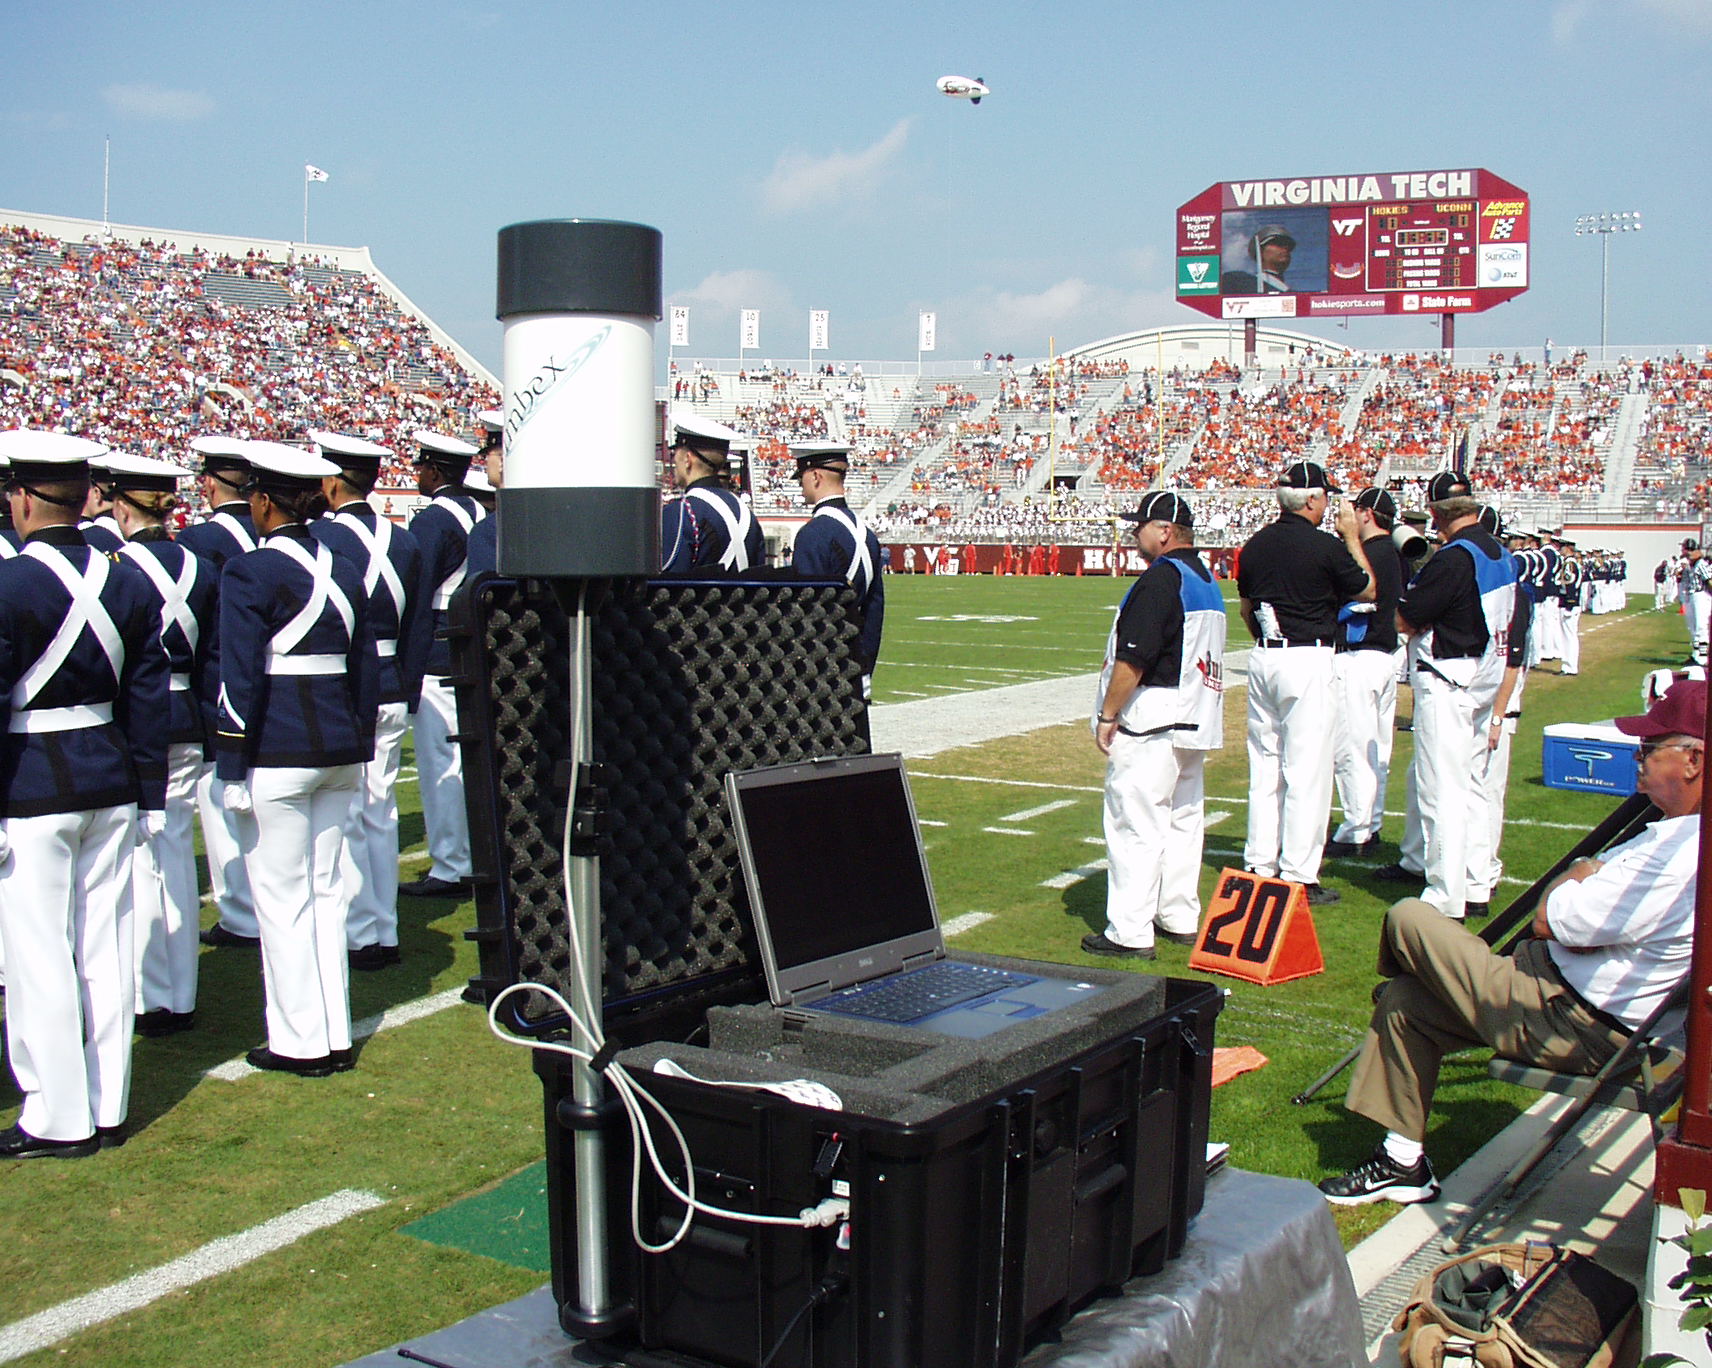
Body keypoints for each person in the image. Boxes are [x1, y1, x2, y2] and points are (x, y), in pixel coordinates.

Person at [1319, 678, 1703, 1205]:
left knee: (1409, 917)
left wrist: (1581, 870)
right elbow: (1577, 917)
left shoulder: (1677, 856)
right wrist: (1584, 878)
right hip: (1559, 995)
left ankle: (1413, 977)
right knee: (1407, 1002)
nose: (1637, 757)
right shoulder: (1676, 834)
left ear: (1692, 761)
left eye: (1649, 748)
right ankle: (1403, 1164)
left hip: (1573, 1019)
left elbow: (1549, 919)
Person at [0, 429, 169, 1157]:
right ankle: (107, 1104)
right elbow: (147, 697)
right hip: (111, 777)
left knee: (39, 956)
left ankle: (56, 1116)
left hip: (32, 781)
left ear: (24, 500)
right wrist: (150, 794)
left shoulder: (9, 584)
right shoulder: (126, 580)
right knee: (105, 947)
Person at [215, 440, 377, 1076]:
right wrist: (360, 742)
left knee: (282, 900)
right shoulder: (344, 564)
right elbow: (363, 667)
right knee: (326, 891)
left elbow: (239, 676)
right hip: (339, 745)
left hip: (278, 749)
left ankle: (299, 1041)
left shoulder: (250, 571)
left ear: (261, 502)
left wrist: (231, 763)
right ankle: (333, 1033)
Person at [1082, 491, 1226, 959]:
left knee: (1135, 824)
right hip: (1195, 715)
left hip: (1155, 718)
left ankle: (1129, 930)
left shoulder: (1162, 579)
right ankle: (1178, 914)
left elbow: (1134, 657)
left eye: (1140, 525)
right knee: (1184, 822)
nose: (1133, 533)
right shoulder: (1206, 578)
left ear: (1164, 531)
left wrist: (1108, 714)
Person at [107, 451, 218, 1037]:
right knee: (174, 851)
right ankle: (182, 990)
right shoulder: (200, 566)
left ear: (123, 505)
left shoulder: (116, 567)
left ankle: (153, 996)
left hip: (138, 717)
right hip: (188, 716)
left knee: (139, 859)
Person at [311, 430, 425, 971]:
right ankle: (385, 924)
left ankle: (362, 934)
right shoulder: (403, 541)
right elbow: (418, 625)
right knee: (380, 811)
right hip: (393, 681)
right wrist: (408, 686)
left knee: (351, 814)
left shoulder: (321, 537)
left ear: (332, 483)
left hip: (349, 683)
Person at [1236, 460, 1375, 904]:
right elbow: (1367, 588)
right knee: (1308, 771)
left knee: (1265, 767)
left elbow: (1246, 607)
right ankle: (1299, 872)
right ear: (1312, 500)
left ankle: (1259, 863)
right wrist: (1351, 536)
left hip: (1265, 654)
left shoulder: (1255, 545)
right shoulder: (1325, 546)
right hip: (1308, 656)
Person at [1381, 471, 1517, 923]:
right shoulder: (1500, 553)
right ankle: (1476, 884)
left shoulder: (1455, 557)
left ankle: (1445, 894)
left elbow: (1405, 619)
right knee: (1474, 789)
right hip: (1484, 676)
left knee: (1441, 790)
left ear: (1436, 514)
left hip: (1448, 677)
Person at [178, 436, 263, 949]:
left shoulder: (201, 540)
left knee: (220, 798)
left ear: (209, 484)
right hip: (277, 681)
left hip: (218, 682)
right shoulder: (266, 528)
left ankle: (240, 913)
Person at [402, 428, 485, 900]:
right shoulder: (481, 511)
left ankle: (451, 865)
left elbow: (416, 596)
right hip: (475, 646)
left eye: (421, 467)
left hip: (438, 653)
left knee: (442, 766)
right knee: (472, 763)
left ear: (433, 471)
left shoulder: (432, 522)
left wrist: (409, 667)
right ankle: (474, 857)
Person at [1325, 488, 1405, 859]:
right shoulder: (1395, 551)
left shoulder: (1372, 551)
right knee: (1377, 750)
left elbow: (1363, 589)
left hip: (1360, 654)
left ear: (1367, 514)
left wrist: (1350, 541)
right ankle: (1369, 823)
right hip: (1385, 655)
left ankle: (1356, 829)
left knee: (1353, 748)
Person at [788, 442, 885, 690]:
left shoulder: (814, 534)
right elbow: (874, 612)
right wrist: (864, 670)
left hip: (821, 673)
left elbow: (806, 613)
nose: (801, 485)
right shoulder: (867, 535)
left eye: (802, 477)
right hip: (857, 666)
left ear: (815, 476)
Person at [660, 413, 764, 572]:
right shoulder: (746, 513)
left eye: (675, 454)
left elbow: (669, 578)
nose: (674, 460)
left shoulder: (681, 512)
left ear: (688, 459)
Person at [463, 409, 504, 577]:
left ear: (502, 461)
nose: (486, 462)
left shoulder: (489, 530)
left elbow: (484, 589)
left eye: (489, 454)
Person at [1222, 225, 1296, 296]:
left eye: (1288, 247)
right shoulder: (1238, 282)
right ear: (1259, 251)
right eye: (1278, 243)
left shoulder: (1295, 295)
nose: (1285, 248)